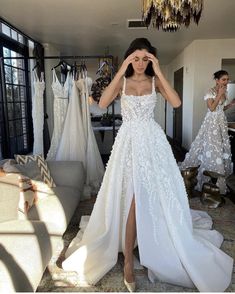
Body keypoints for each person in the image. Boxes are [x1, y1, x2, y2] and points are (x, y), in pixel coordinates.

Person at [62, 38, 233, 292]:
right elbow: (102, 103)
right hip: (128, 145)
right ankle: (129, 261)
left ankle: (145, 247)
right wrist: (121, 69)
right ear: (130, 58)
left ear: (152, 59)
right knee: (131, 195)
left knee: (148, 195)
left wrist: (160, 72)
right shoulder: (122, 80)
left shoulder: (155, 81)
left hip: (153, 144)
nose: (140, 63)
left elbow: (176, 102)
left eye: (146, 58)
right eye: (136, 58)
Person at [179, 70, 235, 194]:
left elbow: (220, 108)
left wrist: (229, 105)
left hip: (221, 122)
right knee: (212, 146)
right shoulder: (211, 92)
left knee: (220, 147)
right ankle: (207, 174)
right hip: (212, 123)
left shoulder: (224, 92)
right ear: (217, 80)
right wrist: (220, 94)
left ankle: (217, 173)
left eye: (227, 79)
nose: (226, 82)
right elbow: (211, 108)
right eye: (224, 79)